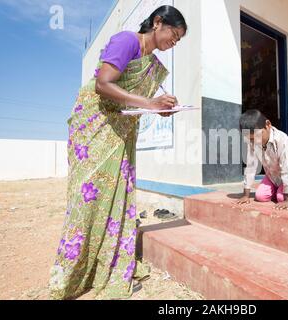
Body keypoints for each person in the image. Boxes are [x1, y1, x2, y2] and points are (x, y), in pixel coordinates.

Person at [49, 5, 187, 300]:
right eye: (173, 35)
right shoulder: (127, 41)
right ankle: (72, 274)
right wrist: (150, 103)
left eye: (178, 40)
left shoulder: (152, 62)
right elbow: (103, 84)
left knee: (117, 198)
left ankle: (106, 267)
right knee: (88, 197)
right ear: (157, 22)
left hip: (121, 131)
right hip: (95, 126)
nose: (174, 42)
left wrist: (162, 108)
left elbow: (135, 103)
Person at [237, 110, 288, 211]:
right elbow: (250, 166)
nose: (254, 141)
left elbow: (286, 167)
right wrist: (246, 194)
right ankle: (279, 188)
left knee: (281, 198)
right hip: (272, 176)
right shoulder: (251, 142)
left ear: (268, 125)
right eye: (250, 139)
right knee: (260, 196)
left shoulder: (282, 139)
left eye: (257, 136)